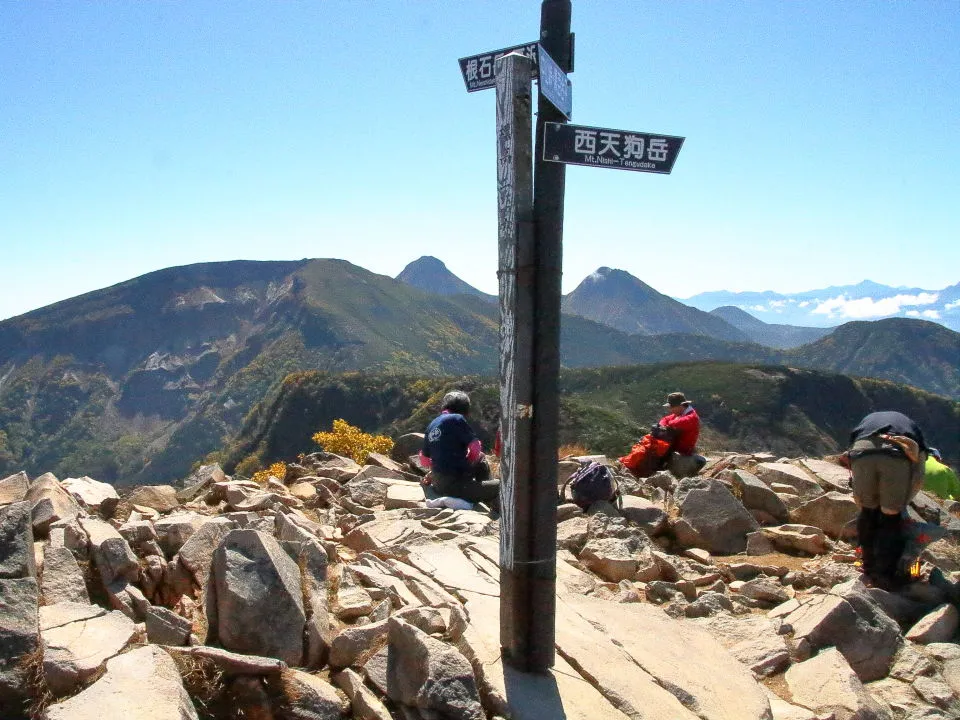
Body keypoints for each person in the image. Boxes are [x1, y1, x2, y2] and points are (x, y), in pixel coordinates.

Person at [848, 410, 928, 590]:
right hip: (896, 454)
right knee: (891, 515)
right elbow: (918, 470)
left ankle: (868, 565)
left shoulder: (867, 420)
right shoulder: (911, 427)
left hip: (861, 451)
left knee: (868, 511)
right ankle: (885, 574)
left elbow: (851, 446)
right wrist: (903, 501)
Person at [419, 390, 499, 507]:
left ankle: (482, 491)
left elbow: (424, 459)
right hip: (455, 487)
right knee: (501, 485)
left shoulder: (432, 424)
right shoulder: (457, 419)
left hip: (438, 484)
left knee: (480, 459)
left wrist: (436, 470)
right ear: (465, 409)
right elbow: (475, 447)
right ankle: (488, 498)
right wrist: (468, 462)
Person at [656, 391, 705, 478]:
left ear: (681, 406)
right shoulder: (681, 413)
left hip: (683, 452)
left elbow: (671, 423)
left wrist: (664, 425)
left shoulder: (690, 418)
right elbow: (665, 419)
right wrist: (662, 424)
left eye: (671, 407)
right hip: (677, 449)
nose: (670, 410)